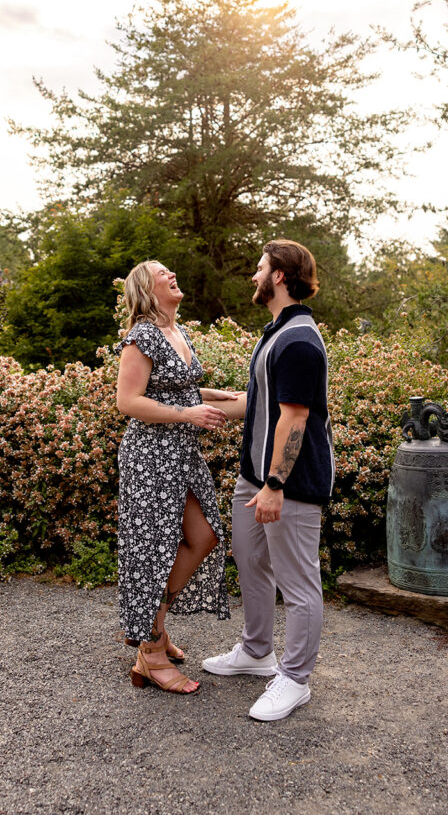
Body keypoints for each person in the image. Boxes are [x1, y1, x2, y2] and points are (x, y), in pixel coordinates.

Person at [202, 239, 335, 721]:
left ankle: (295, 679)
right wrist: (185, 398)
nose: (254, 276)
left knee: (298, 582)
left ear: (279, 275)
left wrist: (275, 485)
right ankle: (257, 652)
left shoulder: (298, 341)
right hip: (254, 478)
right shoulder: (277, 333)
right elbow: (254, 402)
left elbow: (295, 418)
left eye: (260, 268)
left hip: (289, 484)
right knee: (252, 559)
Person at [115, 260, 234, 694]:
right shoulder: (142, 336)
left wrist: (210, 395)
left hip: (181, 454)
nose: (170, 274)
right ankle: (150, 651)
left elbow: (170, 386)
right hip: (150, 456)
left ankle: (154, 626)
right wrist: (187, 413)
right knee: (154, 551)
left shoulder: (176, 331)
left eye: (170, 270)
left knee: (205, 537)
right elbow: (128, 401)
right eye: (160, 272)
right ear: (146, 288)